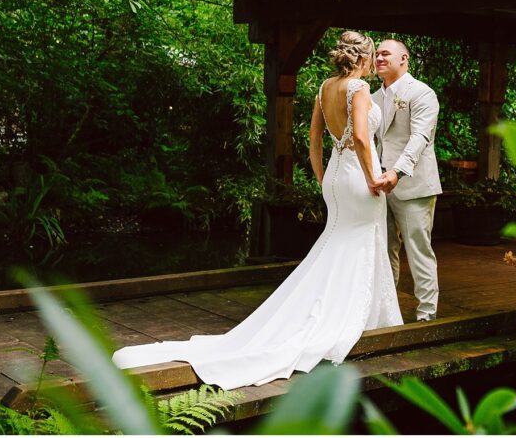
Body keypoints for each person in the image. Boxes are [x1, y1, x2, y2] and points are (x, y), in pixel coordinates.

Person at [111, 31, 402, 390]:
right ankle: (358, 319)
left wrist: (323, 177)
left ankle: (350, 314)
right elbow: (360, 138)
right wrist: (375, 177)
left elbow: (312, 140)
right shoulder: (357, 90)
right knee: (361, 242)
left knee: (339, 242)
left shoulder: (325, 87)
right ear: (364, 58)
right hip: (360, 176)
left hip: (336, 177)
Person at [373, 39, 442, 322]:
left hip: (413, 186)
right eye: (376, 53)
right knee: (384, 249)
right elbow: (376, 142)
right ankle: (389, 314)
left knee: (418, 251)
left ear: (404, 59)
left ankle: (427, 315)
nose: (378, 57)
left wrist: (396, 172)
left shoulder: (422, 93)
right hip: (379, 186)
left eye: (385, 53)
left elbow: (420, 139)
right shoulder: (374, 97)